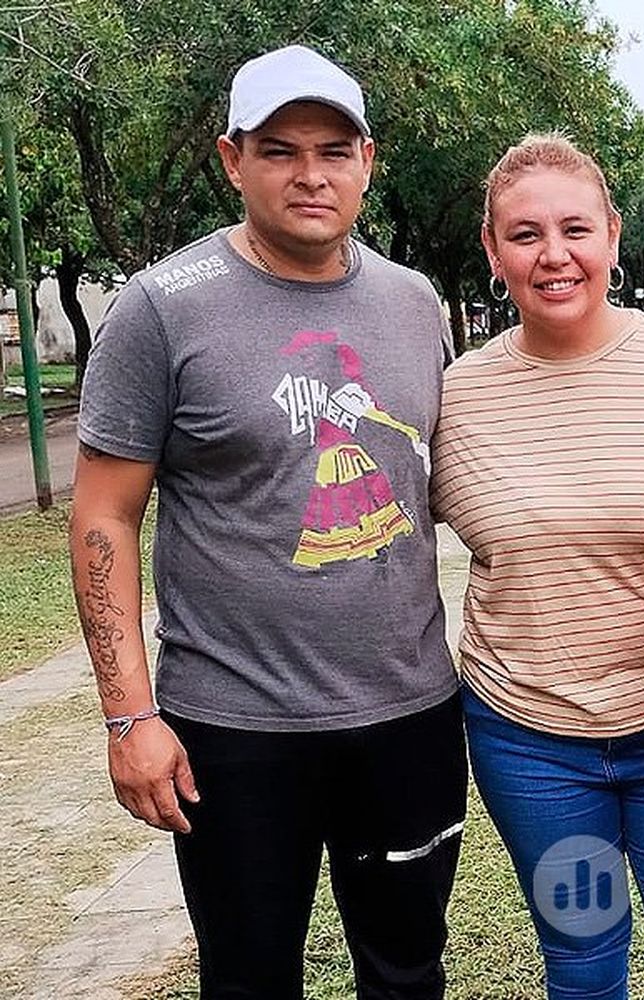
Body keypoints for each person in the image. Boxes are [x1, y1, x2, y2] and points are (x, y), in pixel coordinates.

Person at [70, 45, 465, 998]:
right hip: (234, 730)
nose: (310, 173)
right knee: (248, 977)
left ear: (368, 160)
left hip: (408, 713)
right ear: (231, 159)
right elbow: (103, 516)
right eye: (280, 149)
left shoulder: (415, 304)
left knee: (407, 970)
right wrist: (129, 717)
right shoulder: (161, 308)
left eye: (334, 149)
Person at [428, 134, 644, 1000]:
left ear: (612, 234)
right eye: (525, 233)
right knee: (582, 958)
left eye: (575, 228)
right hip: (527, 737)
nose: (554, 255)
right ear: (493, 252)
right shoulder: (456, 394)